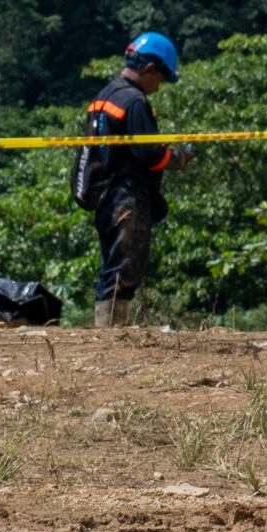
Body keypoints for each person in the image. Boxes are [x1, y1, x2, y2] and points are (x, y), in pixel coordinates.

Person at [73, 32, 179, 326]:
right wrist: (178, 160)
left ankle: (108, 328)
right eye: (161, 78)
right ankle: (112, 333)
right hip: (126, 196)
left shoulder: (105, 96)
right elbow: (149, 153)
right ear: (149, 68)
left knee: (111, 264)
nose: (158, 87)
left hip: (106, 194)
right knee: (124, 265)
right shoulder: (133, 101)